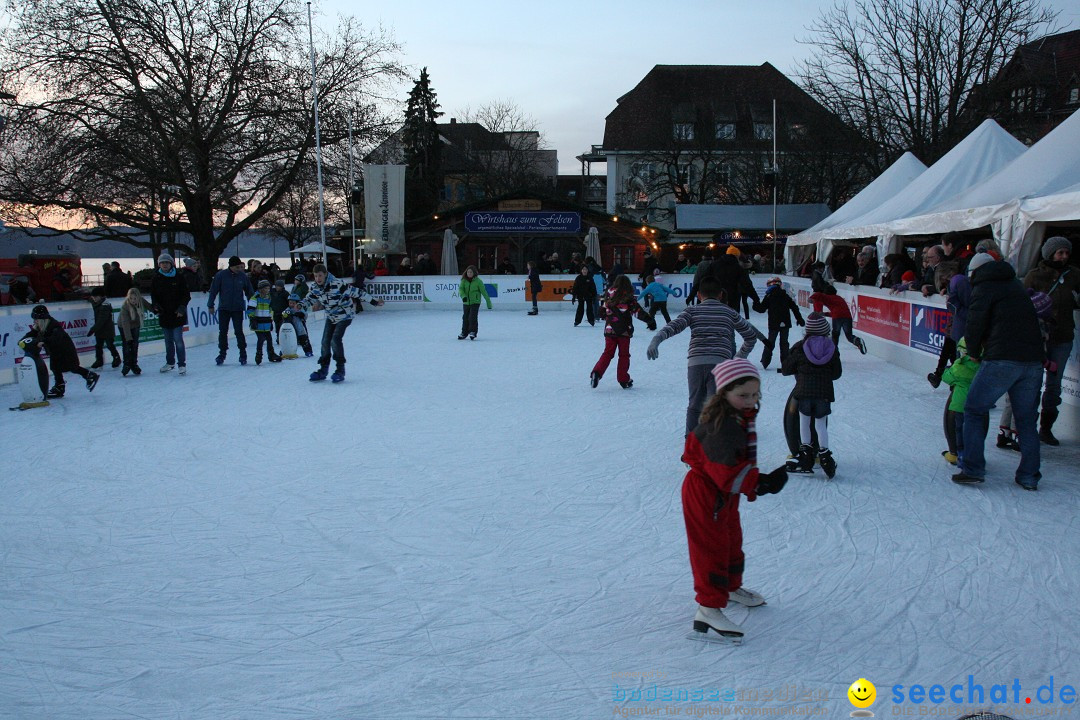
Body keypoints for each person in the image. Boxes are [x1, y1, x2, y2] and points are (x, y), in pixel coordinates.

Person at [682, 359, 788, 643]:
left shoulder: (737, 416)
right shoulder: (721, 426)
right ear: (724, 393)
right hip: (706, 494)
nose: (750, 401)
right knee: (711, 549)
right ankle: (708, 608)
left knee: (730, 540)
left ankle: (728, 587)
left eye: (755, 394)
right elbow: (726, 472)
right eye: (743, 395)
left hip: (722, 495)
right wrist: (761, 483)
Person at [952, 253, 1045, 490]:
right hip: (1033, 360)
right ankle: (1029, 475)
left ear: (975, 273)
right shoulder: (1016, 285)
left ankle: (973, 468)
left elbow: (974, 323)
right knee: (1025, 421)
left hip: (1002, 359)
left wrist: (972, 350)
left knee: (974, 409)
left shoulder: (984, 288)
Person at [646, 276, 757, 434]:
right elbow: (751, 336)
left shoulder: (693, 311)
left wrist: (656, 340)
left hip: (696, 364)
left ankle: (691, 444)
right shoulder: (729, 312)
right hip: (721, 366)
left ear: (698, 295)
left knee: (695, 405)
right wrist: (740, 356)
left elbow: (673, 326)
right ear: (720, 295)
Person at [1022, 236, 1078, 445]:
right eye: (1059, 252)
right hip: (1038, 338)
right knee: (1033, 382)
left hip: (1063, 336)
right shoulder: (1034, 276)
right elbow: (1023, 303)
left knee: (1054, 385)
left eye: (1066, 252)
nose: (1063, 256)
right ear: (1049, 254)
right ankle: (1027, 427)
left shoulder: (1073, 275)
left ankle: (1046, 427)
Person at [781, 312, 843, 478]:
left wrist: (798, 369)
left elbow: (786, 369)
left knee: (804, 423)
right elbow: (837, 373)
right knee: (820, 425)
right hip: (823, 394)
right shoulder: (831, 347)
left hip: (804, 393)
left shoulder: (800, 347)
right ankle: (824, 456)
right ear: (825, 330)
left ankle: (806, 456)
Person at [299, 263, 383, 382]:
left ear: (325, 274)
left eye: (320, 276)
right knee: (325, 342)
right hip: (331, 316)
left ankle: (340, 370)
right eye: (316, 276)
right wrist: (300, 305)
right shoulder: (315, 287)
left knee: (335, 339)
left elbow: (357, 292)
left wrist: (374, 302)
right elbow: (309, 299)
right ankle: (323, 369)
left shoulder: (337, 284)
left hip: (345, 315)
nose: (318, 278)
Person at [19, 304, 99, 397]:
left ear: (42, 319)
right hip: (56, 352)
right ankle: (59, 386)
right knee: (55, 368)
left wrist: (42, 342)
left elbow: (54, 339)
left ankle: (90, 376)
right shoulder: (41, 327)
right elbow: (30, 335)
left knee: (72, 367)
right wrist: (25, 339)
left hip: (65, 351)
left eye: (36, 319)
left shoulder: (54, 326)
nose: (34, 322)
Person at [591, 275, 656, 389]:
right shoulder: (628, 297)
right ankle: (623, 379)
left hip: (610, 329)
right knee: (624, 355)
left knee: (607, 353)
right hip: (624, 331)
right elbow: (637, 311)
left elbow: (602, 311)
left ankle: (597, 372)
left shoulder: (609, 294)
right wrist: (649, 320)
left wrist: (603, 314)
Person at [928, 260, 973, 389]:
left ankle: (947, 377)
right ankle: (943, 376)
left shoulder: (959, 281)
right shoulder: (956, 283)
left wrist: (953, 304)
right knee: (951, 348)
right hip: (956, 326)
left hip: (961, 327)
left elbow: (968, 307)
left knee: (956, 352)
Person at [208, 255, 254, 365]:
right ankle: (222, 353)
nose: (239, 269)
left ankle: (243, 353)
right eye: (237, 267)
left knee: (239, 331)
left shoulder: (242, 276)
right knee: (223, 331)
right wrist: (211, 305)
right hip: (224, 308)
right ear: (232, 266)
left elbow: (250, 292)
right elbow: (213, 291)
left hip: (237, 308)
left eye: (240, 267)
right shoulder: (221, 275)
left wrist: (252, 306)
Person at [150, 252, 191, 375]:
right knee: (168, 341)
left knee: (178, 340)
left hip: (177, 314)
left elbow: (186, 295)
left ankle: (182, 364)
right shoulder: (156, 278)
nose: (164, 265)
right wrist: (156, 306)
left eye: (166, 262)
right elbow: (154, 296)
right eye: (162, 263)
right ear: (159, 265)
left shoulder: (179, 277)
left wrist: (181, 308)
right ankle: (170, 362)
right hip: (164, 315)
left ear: (171, 264)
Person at [940, 338, 979, 466]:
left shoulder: (959, 366)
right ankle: (974, 455)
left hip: (958, 406)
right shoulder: (982, 367)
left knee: (958, 429)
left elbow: (947, 377)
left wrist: (947, 369)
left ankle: (957, 454)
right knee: (975, 430)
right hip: (977, 405)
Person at [754, 277, 804, 370]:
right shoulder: (785, 295)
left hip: (774, 323)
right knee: (784, 343)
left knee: (770, 342)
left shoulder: (769, 296)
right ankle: (785, 363)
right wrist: (799, 319)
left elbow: (761, 309)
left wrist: (755, 305)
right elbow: (794, 307)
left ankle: (765, 361)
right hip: (785, 322)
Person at [810, 284, 867, 354]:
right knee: (849, 336)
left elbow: (818, 294)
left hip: (837, 317)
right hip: (847, 317)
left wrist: (811, 298)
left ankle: (834, 353)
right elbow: (838, 312)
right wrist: (825, 314)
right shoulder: (839, 298)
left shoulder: (827, 297)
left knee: (835, 335)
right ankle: (858, 341)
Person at [247, 279, 282, 364]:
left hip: (266, 322)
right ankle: (259, 354)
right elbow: (250, 310)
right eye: (265, 288)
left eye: (268, 288)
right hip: (258, 322)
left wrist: (270, 320)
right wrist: (252, 318)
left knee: (269, 339)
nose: (267, 290)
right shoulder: (255, 298)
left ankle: (271, 354)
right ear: (260, 289)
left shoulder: (269, 298)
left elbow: (270, 310)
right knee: (261, 339)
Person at [86, 287, 121, 370]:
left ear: (100, 296)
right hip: (99, 329)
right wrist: (88, 298)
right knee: (98, 346)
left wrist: (92, 330)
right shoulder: (97, 303)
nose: (93, 299)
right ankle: (99, 360)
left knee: (110, 345)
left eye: (95, 297)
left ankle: (117, 358)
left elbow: (101, 320)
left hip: (107, 329)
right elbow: (93, 302)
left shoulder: (105, 305)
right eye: (93, 297)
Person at [457, 265, 492, 340]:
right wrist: (463, 297)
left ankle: (473, 332)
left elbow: (484, 292)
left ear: (474, 273)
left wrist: (488, 303)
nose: (469, 273)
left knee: (472, 317)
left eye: (471, 272)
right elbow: (461, 290)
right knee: (465, 317)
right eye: (468, 272)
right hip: (466, 302)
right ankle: (464, 332)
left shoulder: (478, 281)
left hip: (475, 302)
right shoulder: (463, 280)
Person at [118, 288, 145, 376]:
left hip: (135, 325)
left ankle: (134, 364)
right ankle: (126, 364)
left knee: (135, 345)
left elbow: (150, 307)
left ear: (138, 298)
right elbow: (125, 324)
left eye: (135, 298)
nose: (133, 301)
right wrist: (128, 338)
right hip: (123, 326)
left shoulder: (141, 301)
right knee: (127, 345)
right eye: (131, 299)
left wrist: (156, 310)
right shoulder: (125, 307)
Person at [282, 293, 313, 357]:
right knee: (289, 340)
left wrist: (301, 314)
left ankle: (308, 351)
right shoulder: (288, 310)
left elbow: (305, 315)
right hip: (291, 329)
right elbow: (283, 315)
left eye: (293, 303)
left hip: (300, 328)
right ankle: (285, 351)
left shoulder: (300, 309)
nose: (291, 305)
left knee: (304, 340)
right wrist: (285, 316)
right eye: (290, 303)